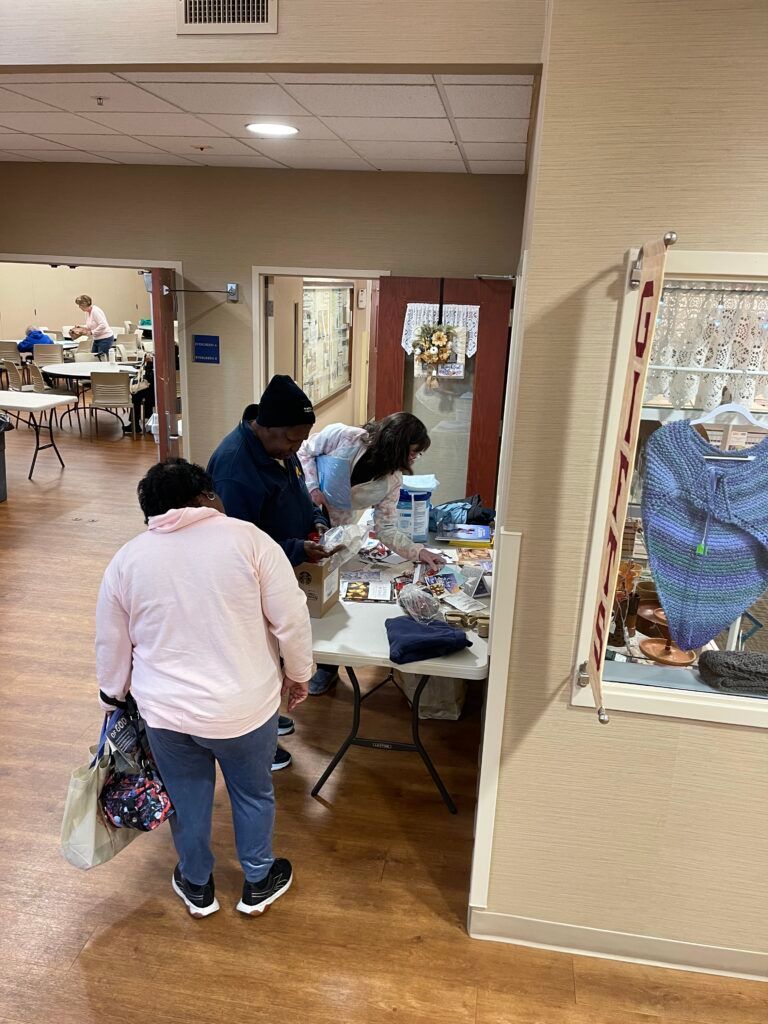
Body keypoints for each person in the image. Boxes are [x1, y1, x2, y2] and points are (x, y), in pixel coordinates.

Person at [96, 458, 312, 919]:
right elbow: (291, 617)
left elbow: (111, 641)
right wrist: (298, 674)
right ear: (203, 498)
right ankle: (257, 879)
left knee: (187, 795)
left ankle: (197, 884)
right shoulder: (250, 540)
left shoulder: (128, 559)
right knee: (252, 793)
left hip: (166, 713)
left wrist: (111, 695)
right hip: (245, 707)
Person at [207, 375, 329, 771]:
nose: (296, 449)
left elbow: (296, 489)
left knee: (272, 653)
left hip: (281, 566)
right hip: (245, 583)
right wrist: (296, 549)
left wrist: (315, 521)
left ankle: (269, 719)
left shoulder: (279, 447)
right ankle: (258, 748)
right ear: (268, 426)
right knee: (255, 659)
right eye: (293, 440)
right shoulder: (234, 469)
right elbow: (240, 545)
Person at [298, 413, 444, 695]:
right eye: (414, 451)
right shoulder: (343, 436)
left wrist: (417, 551)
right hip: (301, 514)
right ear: (397, 444)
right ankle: (294, 662)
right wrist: (313, 488)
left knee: (328, 600)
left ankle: (327, 666)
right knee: (298, 596)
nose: (415, 458)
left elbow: (385, 527)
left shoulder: (392, 481)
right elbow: (304, 452)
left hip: (338, 536)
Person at [71, 294, 115, 358]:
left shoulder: (95, 311)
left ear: (84, 304)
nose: (79, 307)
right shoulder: (88, 312)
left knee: (101, 360)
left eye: (80, 305)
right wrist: (81, 327)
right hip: (97, 339)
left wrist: (92, 332)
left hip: (105, 339)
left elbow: (103, 325)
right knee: (94, 358)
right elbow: (90, 325)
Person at [130, 350, 155, 427]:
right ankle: (137, 423)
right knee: (143, 391)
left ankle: (135, 424)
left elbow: (149, 374)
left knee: (136, 393)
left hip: (156, 393)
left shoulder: (162, 363)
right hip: (170, 393)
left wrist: (149, 363)